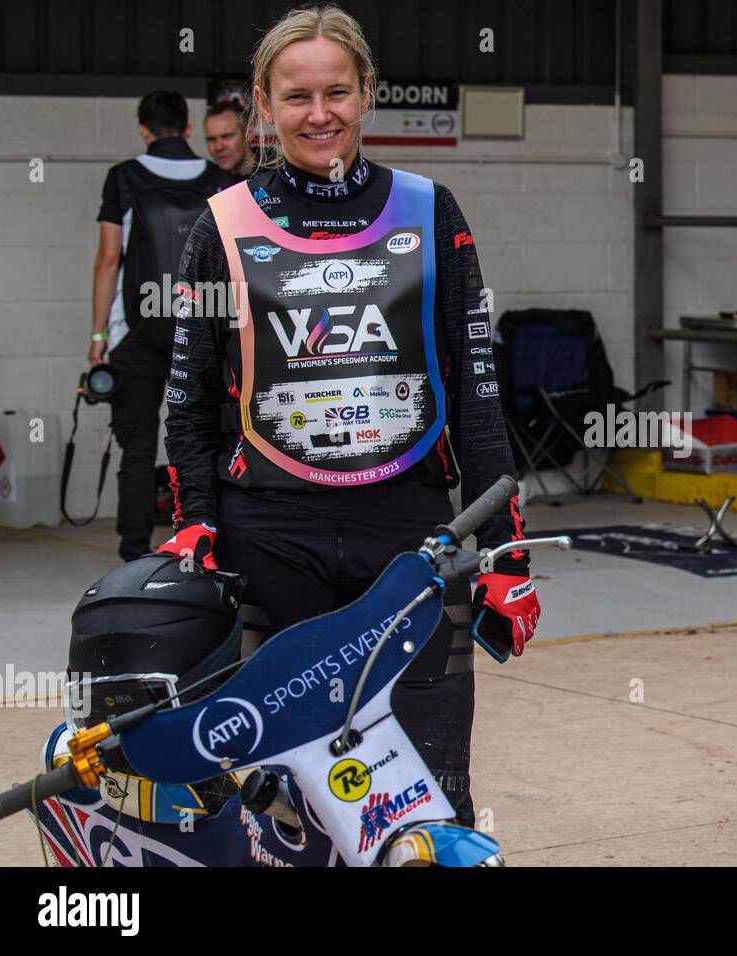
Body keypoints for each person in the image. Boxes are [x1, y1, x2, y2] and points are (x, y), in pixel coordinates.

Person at [158, 4, 539, 827]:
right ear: (263, 104)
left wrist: (506, 552)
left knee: (432, 806)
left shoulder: (431, 213)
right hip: (267, 540)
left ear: (368, 93)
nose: (319, 113)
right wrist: (193, 521)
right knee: (287, 814)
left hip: (408, 541)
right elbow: (188, 400)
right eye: (296, 96)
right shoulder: (220, 227)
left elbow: (476, 393)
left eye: (337, 91)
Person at [90, 90, 234, 561]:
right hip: (201, 333)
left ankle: (133, 551)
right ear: (188, 129)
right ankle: (204, 537)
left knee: (137, 445)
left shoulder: (122, 178)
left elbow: (109, 258)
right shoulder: (219, 180)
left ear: (143, 129)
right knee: (205, 437)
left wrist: (97, 337)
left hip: (136, 335)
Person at [204, 100, 256, 179]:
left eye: (226, 137)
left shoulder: (275, 177)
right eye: (211, 139)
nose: (218, 147)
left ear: (248, 133)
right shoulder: (207, 183)